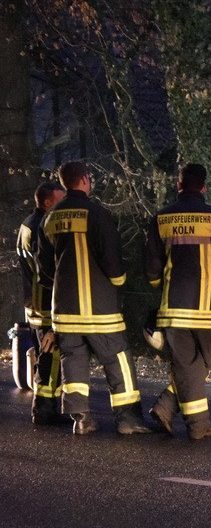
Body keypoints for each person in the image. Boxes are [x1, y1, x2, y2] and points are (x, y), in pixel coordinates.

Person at [36, 161, 151, 435]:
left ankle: (81, 418)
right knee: (118, 360)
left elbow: (45, 270)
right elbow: (111, 257)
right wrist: (119, 281)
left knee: (73, 361)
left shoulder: (49, 218)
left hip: (64, 311)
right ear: (85, 180)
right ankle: (128, 420)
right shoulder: (97, 214)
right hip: (101, 310)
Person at [144, 163, 211, 440]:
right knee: (199, 367)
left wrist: (160, 285)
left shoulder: (161, 218)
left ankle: (166, 408)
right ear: (203, 187)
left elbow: (151, 267)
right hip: (208, 311)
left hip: (173, 310)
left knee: (188, 368)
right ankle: (198, 427)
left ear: (178, 186)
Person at [16, 181, 66, 424]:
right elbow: (45, 270)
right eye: (60, 200)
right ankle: (45, 409)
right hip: (45, 304)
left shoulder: (27, 224)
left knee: (43, 353)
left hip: (33, 303)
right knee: (50, 355)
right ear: (48, 203)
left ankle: (44, 406)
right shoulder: (41, 228)